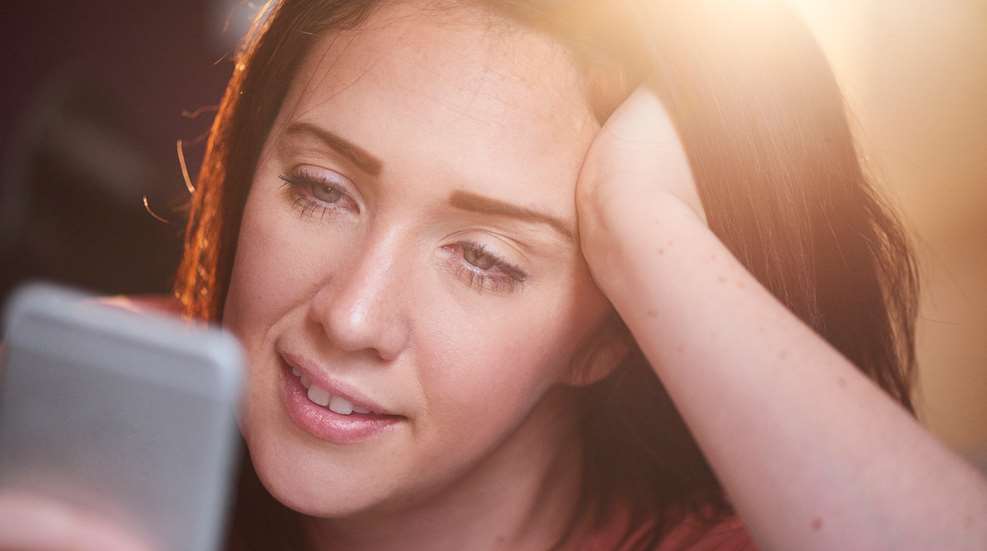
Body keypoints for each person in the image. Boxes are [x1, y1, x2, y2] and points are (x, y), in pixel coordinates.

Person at [2, 0, 986, 549]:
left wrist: (638, 222)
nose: (351, 314)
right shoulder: (107, 424)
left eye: (484, 256)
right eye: (320, 188)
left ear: (608, 332)